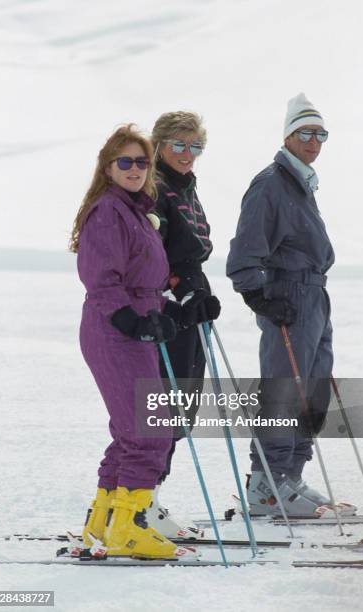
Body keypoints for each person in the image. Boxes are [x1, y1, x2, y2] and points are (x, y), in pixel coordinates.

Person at [69, 124, 198, 559]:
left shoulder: (134, 211)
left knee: (131, 430)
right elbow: (103, 279)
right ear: (108, 167)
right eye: (125, 161)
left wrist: (167, 312)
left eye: (142, 162)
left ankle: (106, 519)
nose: (135, 169)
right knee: (150, 430)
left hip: (132, 324)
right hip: (113, 329)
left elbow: (145, 279)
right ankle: (130, 527)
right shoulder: (109, 211)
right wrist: (131, 320)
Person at [226, 93, 352, 516]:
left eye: (321, 134)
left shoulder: (300, 183)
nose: (314, 141)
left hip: (315, 296)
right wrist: (259, 295)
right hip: (289, 297)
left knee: (312, 389)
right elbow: (246, 251)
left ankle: (291, 477)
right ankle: (268, 484)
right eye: (305, 133)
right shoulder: (271, 184)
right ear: (288, 136)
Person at [147, 111, 221, 537]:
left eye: (195, 147)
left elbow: (193, 248)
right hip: (167, 306)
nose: (188, 154)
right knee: (163, 401)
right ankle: (143, 498)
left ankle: (151, 498)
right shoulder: (154, 188)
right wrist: (179, 288)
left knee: (185, 400)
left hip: (190, 301)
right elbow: (154, 252)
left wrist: (200, 291)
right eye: (179, 145)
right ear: (158, 145)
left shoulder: (186, 187)